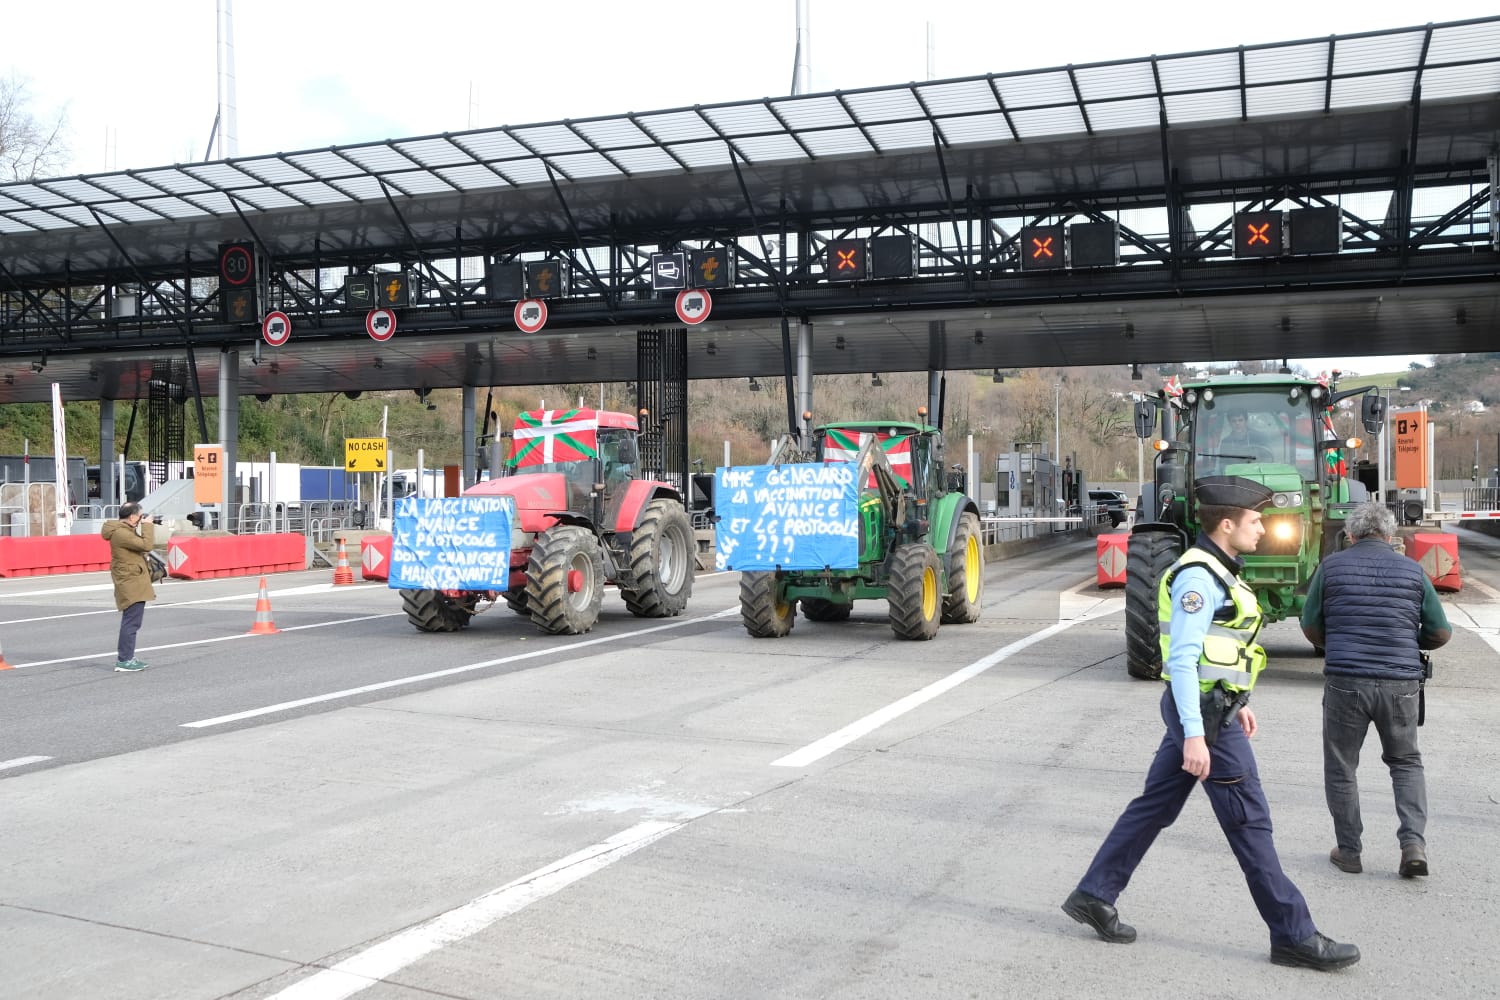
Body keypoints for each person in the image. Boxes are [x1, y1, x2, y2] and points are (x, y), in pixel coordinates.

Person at [1063, 475, 1359, 971]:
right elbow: (1179, 662)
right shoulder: (1199, 579)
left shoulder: (1220, 570)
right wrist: (1197, 735)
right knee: (1251, 825)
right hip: (1204, 719)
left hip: (1212, 709)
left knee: (1153, 808)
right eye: (1255, 521)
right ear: (1227, 524)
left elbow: (1217, 650)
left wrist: (1236, 696)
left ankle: (1094, 893)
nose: (1262, 529)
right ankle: (1293, 935)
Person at [1300, 502, 1451, 878]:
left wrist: (1334, 642)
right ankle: (1413, 844)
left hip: (1346, 681)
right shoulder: (1413, 571)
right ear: (1390, 535)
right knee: (1405, 763)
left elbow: (1310, 623)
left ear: (1350, 536)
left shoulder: (1331, 567)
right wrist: (1407, 641)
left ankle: (1349, 851)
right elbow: (1440, 632)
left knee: (1341, 766)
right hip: (1400, 684)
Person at [102, 502, 156, 672]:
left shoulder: (124, 530)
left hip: (133, 579)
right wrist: (147, 526)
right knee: (131, 622)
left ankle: (127, 657)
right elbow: (146, 545)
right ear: (132, 517)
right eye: (140, 516)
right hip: (131, 582)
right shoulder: (120, 533)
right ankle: (124, 660)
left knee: (132, 621)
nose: (141, 519)